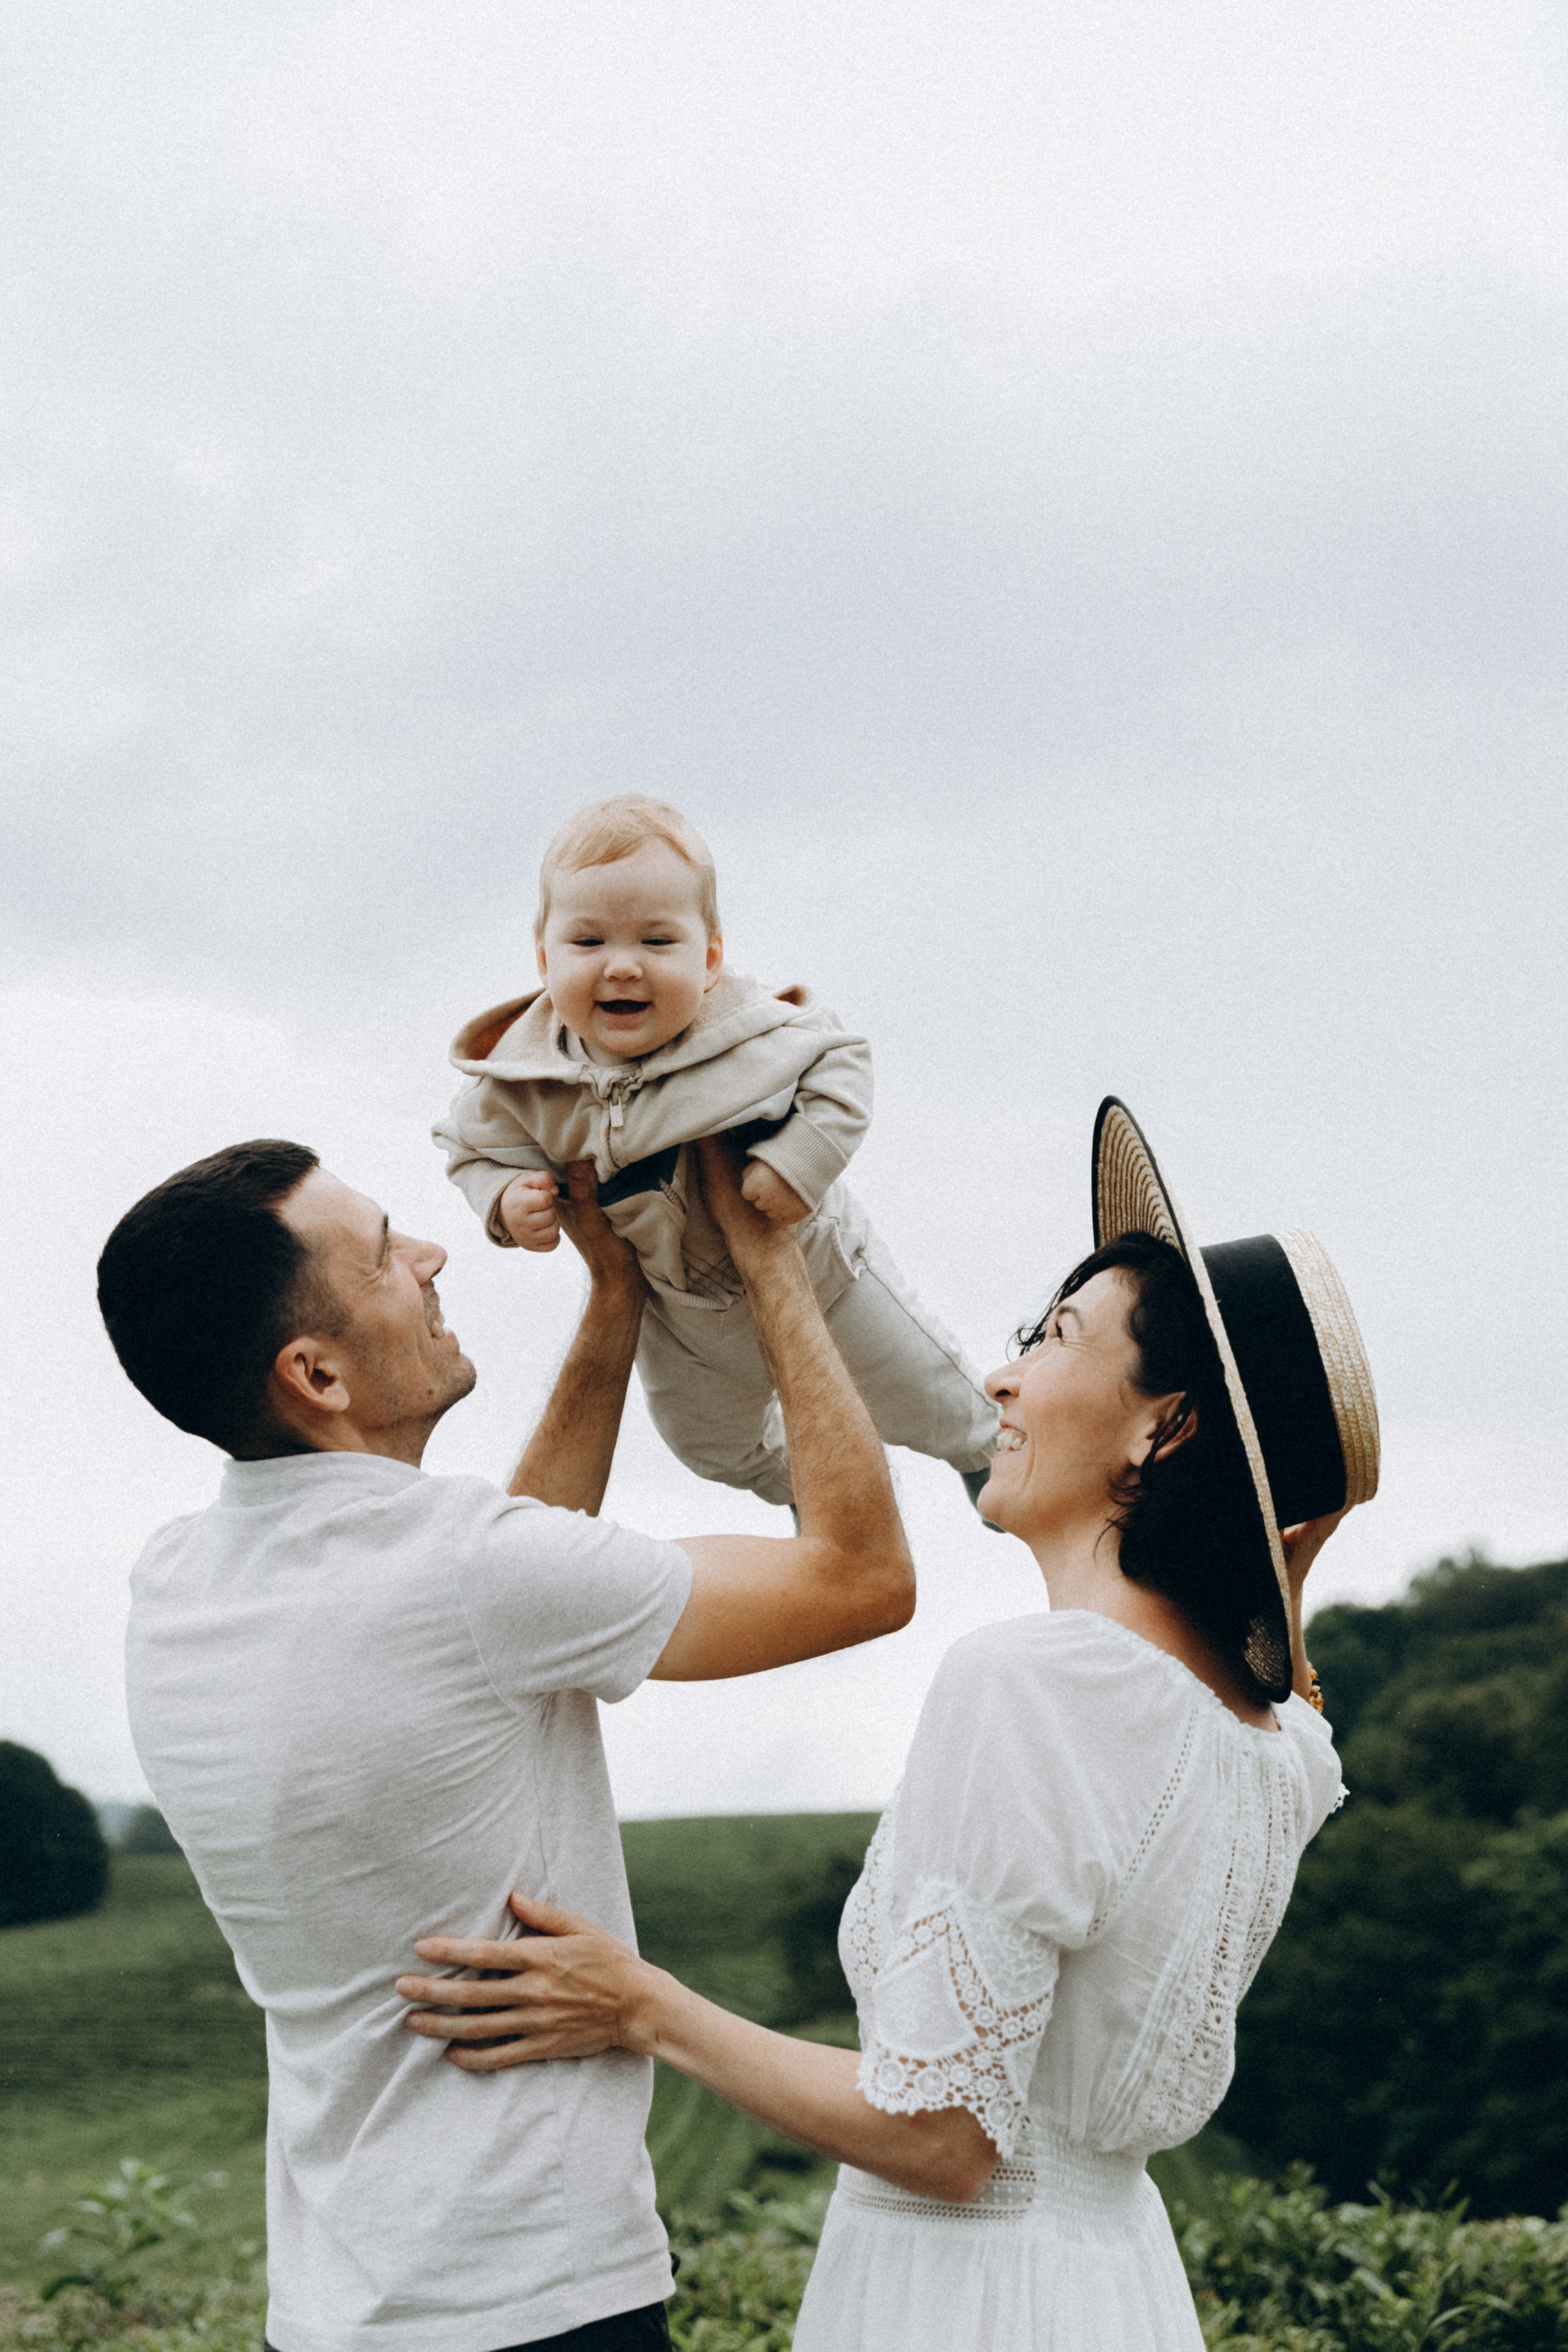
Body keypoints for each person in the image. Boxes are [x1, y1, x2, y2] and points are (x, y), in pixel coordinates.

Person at [394, 1099, 1380, 2352]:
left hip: (965, 2304)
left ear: (1165, 1424)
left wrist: (638, 2004)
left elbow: (942, 2140)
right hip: (1120, 2290)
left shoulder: (1029, 1684)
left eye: (1057, 1340)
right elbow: (1285, 1685)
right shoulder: (1280, 1748)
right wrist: (1275, 1565)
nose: (1000, 1374)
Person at [96, 1134, 916, 2352]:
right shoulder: (470, 1575)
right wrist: (772, 1261)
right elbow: (859, 1579)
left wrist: (614, 1301)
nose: (431, 1255)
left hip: (331, 2312)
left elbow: (505, 1588)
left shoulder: (174, 1582)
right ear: (315, 1374)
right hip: (535, 2303)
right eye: (383, 1256)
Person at [432, 793, 997, 1513]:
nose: (623, 967)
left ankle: (986, 1452)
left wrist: (801, 1160)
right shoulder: (523, 1080)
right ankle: (805, 1483)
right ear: (544, 959)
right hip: (680, 1312)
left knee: (922, 1389)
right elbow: (467, 1149)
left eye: (657, 942)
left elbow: (841, 1063)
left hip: (822, 1277)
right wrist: (506, 1200)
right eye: (589, 943)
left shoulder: (745, 1035)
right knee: (703, 1443)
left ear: (710, 960)